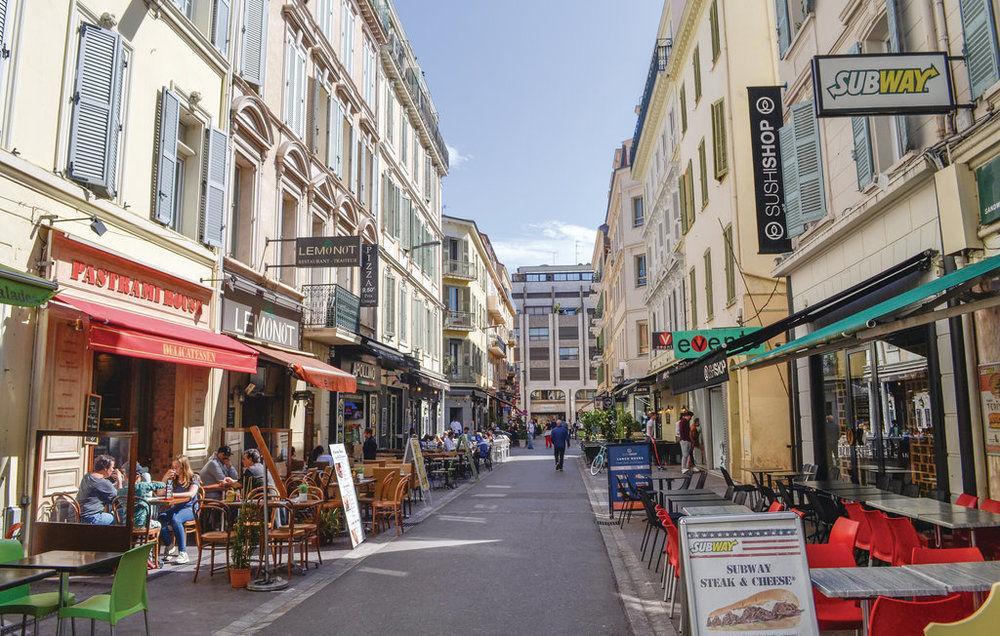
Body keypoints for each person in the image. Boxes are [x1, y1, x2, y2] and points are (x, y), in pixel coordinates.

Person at [158, 455, 201, 564]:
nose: (174, 470)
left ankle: (183, 553)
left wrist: (174, 494)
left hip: (190, 508)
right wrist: (165, 478)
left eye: (176, 467)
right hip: (177, 507)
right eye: (173, 467)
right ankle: (169, 545)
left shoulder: (194, 478)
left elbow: (191, 494)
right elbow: (159, 493)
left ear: (183, 467)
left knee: (175, 519)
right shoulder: (173, 479)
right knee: (160, 519)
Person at [77, 454, 124, 525]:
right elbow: (119, 499)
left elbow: (102, 488)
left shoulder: (87, 476)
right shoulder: (104, 483)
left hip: (78, 516)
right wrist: (119, 480)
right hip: (91, 519)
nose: (113, 470)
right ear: (105, 468)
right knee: (121, 515)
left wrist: (112, 480)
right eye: (112, 467)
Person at [117, 466, 165, 530]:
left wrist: (119, 481)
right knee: (159, 524)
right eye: (141, 476)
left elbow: (119, 492)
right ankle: (150, 540)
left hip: (126, 524)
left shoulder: (120, 491)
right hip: (142, 524)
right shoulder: (142, 486)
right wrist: (152, 483)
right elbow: (162, 485)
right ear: (137, 476)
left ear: (125, 476)